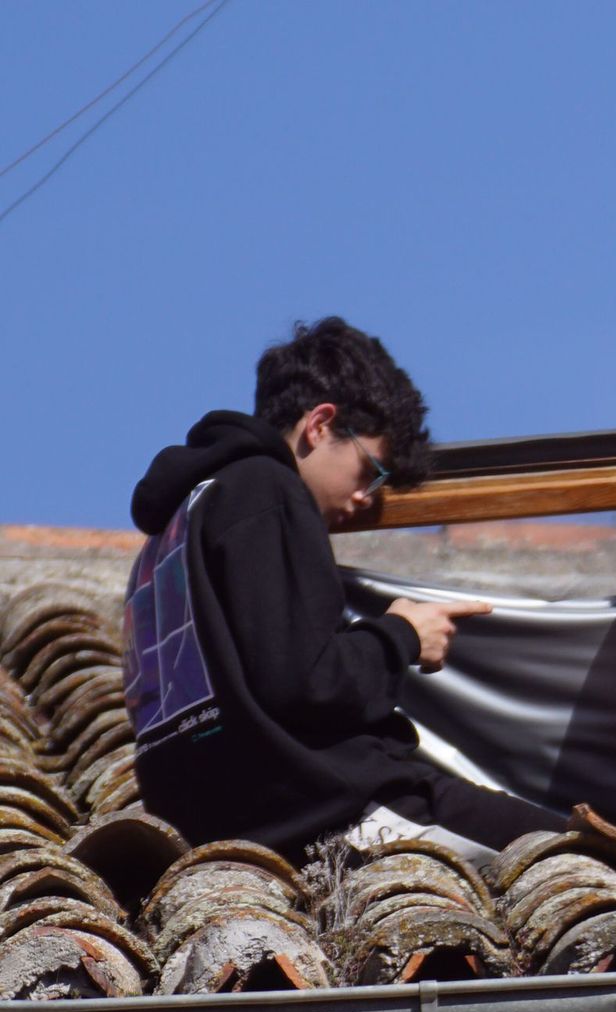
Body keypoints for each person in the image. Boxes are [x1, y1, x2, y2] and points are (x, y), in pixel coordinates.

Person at [122, 317, 566, 865]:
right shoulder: (268, 489)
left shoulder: (174, 527)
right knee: (587, 856)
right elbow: (305, 683)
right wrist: (401, 634)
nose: (366, 499)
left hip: (208, 813)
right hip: (318, 805)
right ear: (320, 424)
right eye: (370, 470)